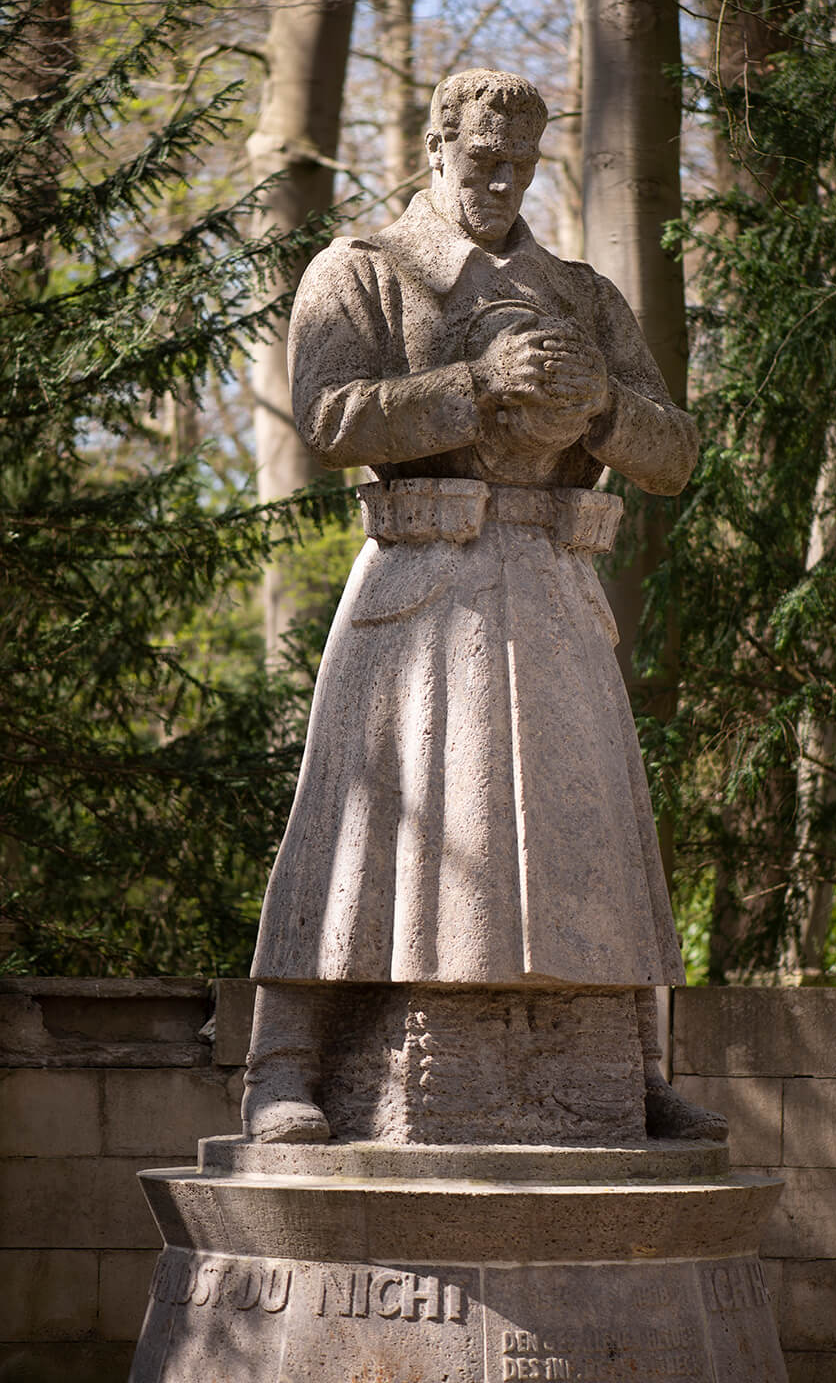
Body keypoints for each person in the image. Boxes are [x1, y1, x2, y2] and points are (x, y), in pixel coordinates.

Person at [242, 69, 724, 1145]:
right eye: (482, 159)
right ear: (435, 148)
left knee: (587, 826)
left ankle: (628, 1072)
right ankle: (284, 1068)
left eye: (521, 162)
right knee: (359, 828)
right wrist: (478, 384)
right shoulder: (363, 270)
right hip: (418, 584)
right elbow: (328, 414)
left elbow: (675, 452)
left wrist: (599, 406)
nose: (502, 179)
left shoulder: (586, 296)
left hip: (552, 586)